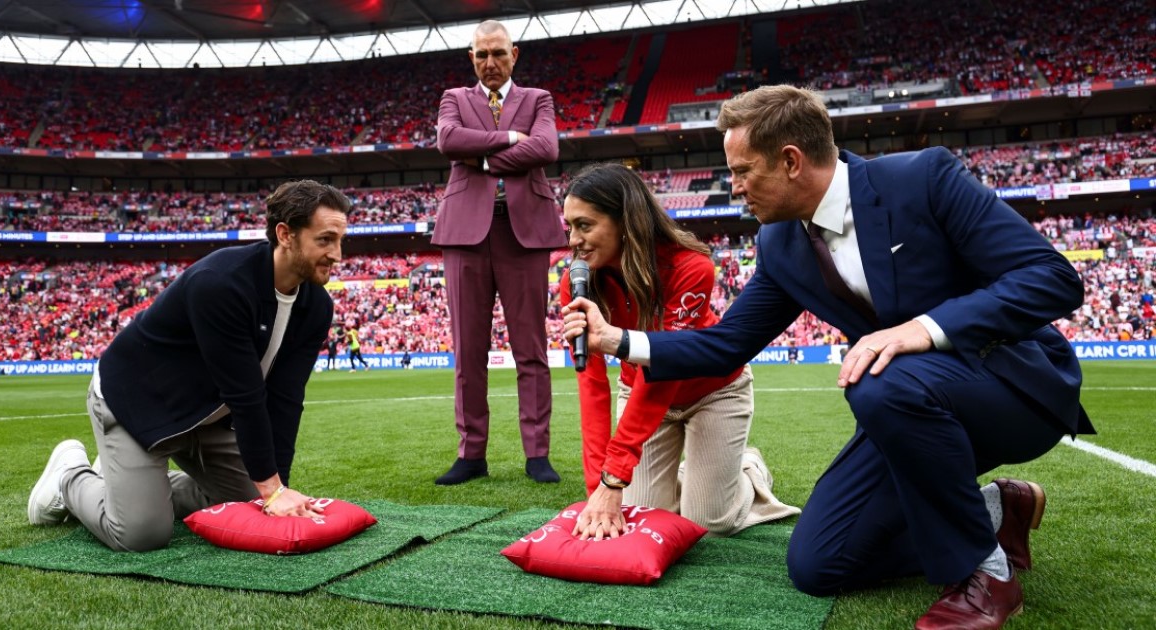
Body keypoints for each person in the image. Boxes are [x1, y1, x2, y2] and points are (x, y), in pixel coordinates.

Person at [563, 85, 1093, 630]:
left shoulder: (922, 179)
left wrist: (922, 330)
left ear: (791, 161)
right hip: (907, 404)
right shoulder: (781, 244)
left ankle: (987, 574)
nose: (735, 187)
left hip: (1011, 388)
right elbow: (727, 343)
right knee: (818, 563)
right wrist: (618, 341)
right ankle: (995, 511)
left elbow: (1052, 278)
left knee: (879, 379)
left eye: (743, 171)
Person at [27, 179, 352, 552]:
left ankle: (132, 486)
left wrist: (279, 489)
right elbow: (247, 397)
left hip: (207, 415)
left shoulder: (316, 306)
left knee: (254, 506)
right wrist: (273, 490)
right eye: (325, 240)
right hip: (141, 405)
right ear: (285, 234)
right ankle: (69, 477)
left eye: (341, 240)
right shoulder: (222, 284)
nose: (338, 254)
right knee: (141, 535)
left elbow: (285, 399)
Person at [558, 163, 799, 541]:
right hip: (637, 392)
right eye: (569, 227)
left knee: (710, 523)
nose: (573, 240)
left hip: (713, 392)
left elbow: (666, 369)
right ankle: (698, 475)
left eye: (584, 225)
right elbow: (591, 387)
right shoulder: (577, 282)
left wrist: (615, 475)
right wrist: (598, 489)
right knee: (643, 517)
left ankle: (749, 469)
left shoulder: (690, 267)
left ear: (625, 222)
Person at [432, 19, 566, 485]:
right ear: (472, 58)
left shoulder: (538, 99)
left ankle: (537, 454)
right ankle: (471, 454)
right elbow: (448, 141)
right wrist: (512, 141)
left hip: (524, 233)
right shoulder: (454, 98)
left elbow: (547, 147)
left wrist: (481, 158)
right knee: (468, 351)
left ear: (515, 54)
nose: (491, 62)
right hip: (464, 235)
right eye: (482, 54)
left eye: (499, 53)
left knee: (531, 350)